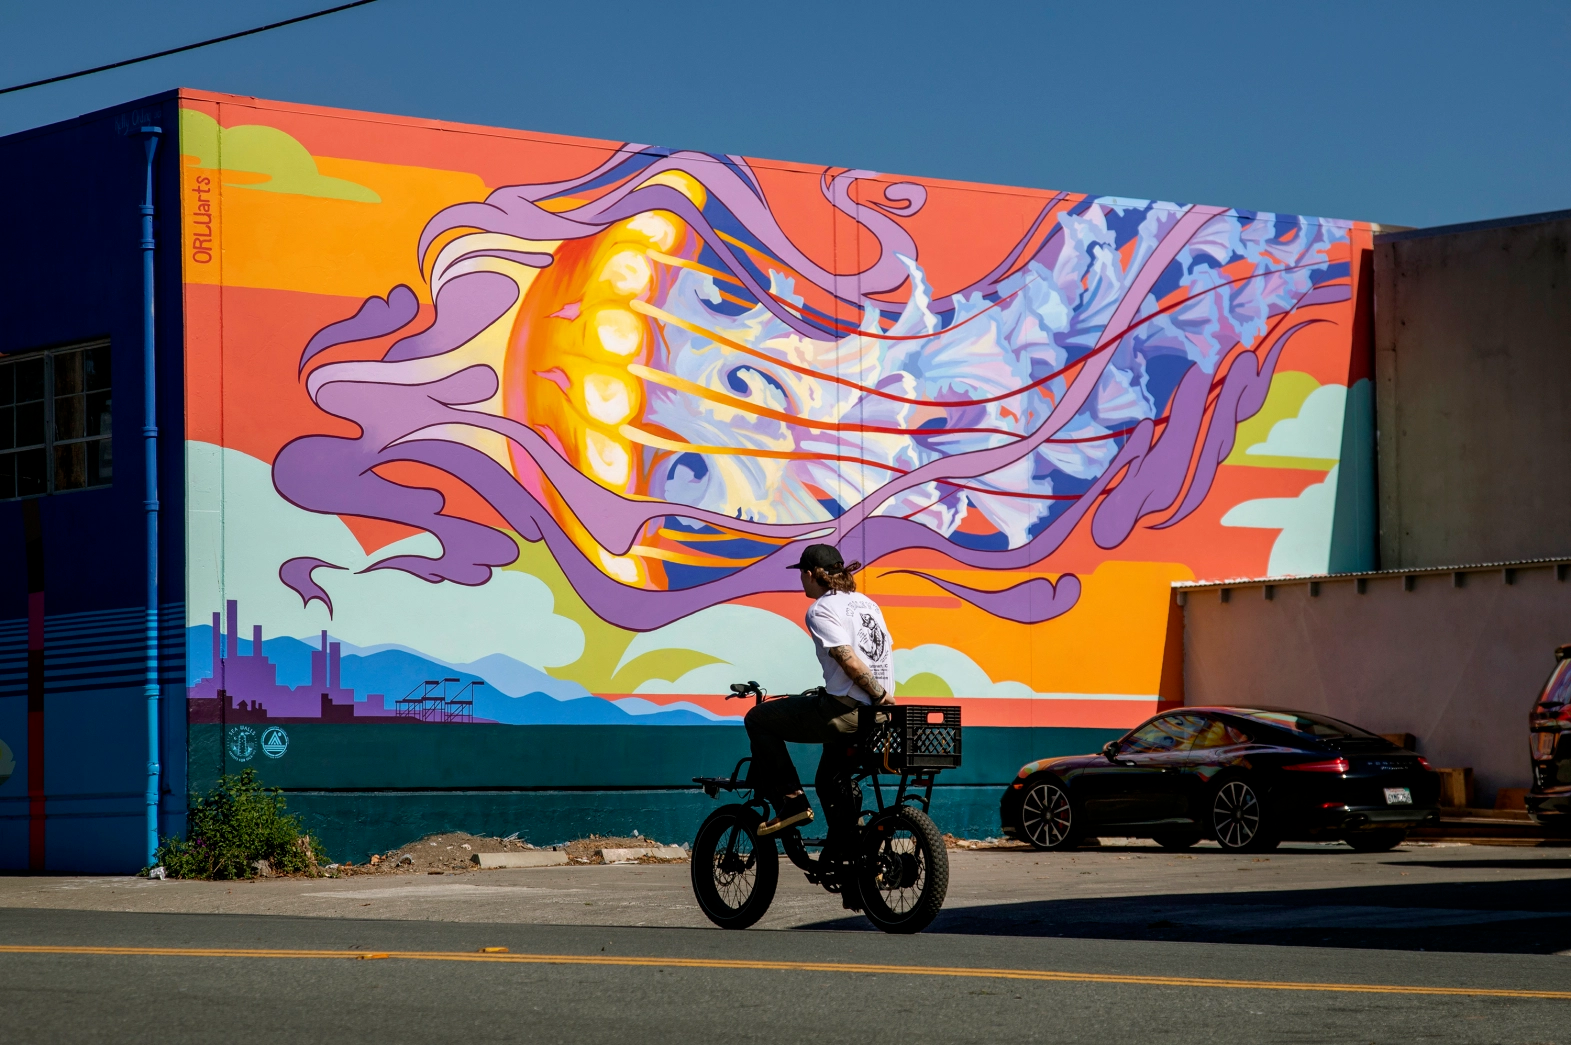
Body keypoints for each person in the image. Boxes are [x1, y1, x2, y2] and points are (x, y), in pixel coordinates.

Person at [745, 543, 894, 838]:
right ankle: (852, 846)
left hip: (848, 710)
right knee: (828, 779)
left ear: (811, 574)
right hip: (877, 716)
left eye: (802, 574)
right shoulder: (868, 604)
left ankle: (793, 802)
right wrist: (883, 702)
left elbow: (848, 659)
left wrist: (878, 695)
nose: (801, 580)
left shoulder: (821, 609)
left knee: (758, 718)